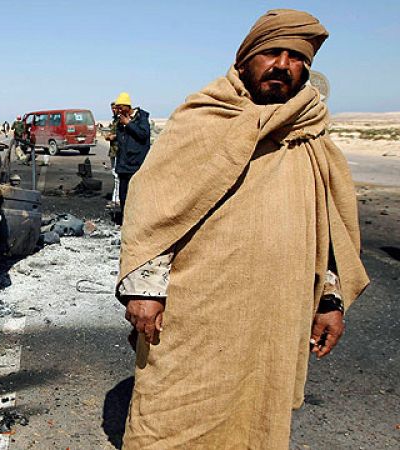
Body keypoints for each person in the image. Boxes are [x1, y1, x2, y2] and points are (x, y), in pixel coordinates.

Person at [116, 9, 369, 448]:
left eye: (296, 58)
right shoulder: (202, 119)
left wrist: (330, 300)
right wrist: (144, 289)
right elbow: (153, 208)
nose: (282, 65)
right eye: (272, 52)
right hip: (197, 314)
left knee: (255, 418)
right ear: (246, 59)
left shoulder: (310, 134)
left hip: (276, 317)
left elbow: (330, 231)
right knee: (171, 414)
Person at [113, 92, 150, 210]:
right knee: (123, 196)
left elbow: (143, 135)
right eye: (117, 108)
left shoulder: (141, 118)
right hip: (124, 165)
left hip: (136, 164)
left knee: (135, 196)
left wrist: (129, 124)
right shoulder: (120, 121)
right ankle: (125, 221)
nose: (118, 110)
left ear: (128, 107)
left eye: (120, 107)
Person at [105, 101, 120, 203]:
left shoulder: (122, 120)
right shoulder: (115, 121)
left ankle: (117, 198)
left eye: (115, 108)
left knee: (118, 176)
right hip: (113, 151)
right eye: (112, 109)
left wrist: (113, 136)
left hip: (119, 151)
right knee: (114, 174)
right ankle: (116, 197)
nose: (113, 110)